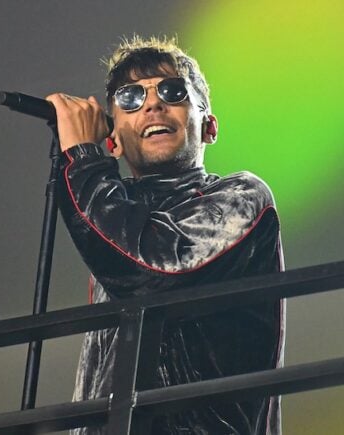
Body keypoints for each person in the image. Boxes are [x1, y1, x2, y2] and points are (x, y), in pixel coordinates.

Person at [46, 36, 285, 435]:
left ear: (208, 126)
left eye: (173, 92)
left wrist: (84, 163)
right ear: (114, 140)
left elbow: (156, 271)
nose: (153, 104)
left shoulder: (242, 197)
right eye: (130, 98)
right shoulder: (115, 232)